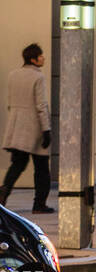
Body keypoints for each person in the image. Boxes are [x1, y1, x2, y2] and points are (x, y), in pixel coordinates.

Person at [0, 43, 52, 212]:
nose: (43, 58)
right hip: (34, 127)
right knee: (42, 168)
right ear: (34, 59)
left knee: (17, 165)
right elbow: (41, 105)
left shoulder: (13, 75)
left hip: (17, 126)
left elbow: (10, 101)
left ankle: (3, 193)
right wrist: (46, 130)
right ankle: (39, 204)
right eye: (41, 56)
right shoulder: (38, 77)